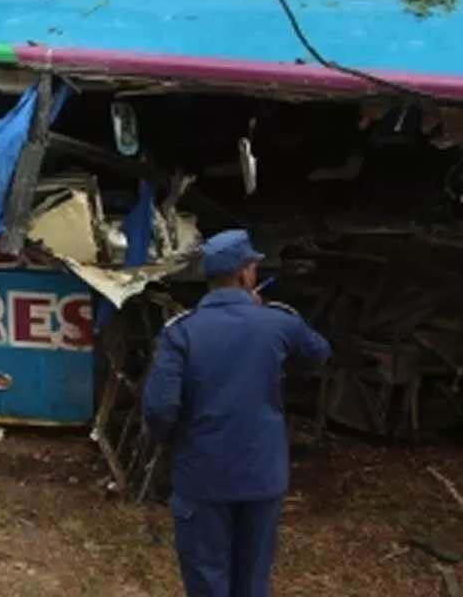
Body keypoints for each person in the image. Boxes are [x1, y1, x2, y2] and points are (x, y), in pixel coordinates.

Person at [142, 229, 331, 597]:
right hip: (261, 475)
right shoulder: (279, 322)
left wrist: (181, 447)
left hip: (202, 475)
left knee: (207, 579)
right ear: (245, 275)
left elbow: (160, 408)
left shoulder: (180, 334)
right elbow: (319, 353)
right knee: (252, 582)